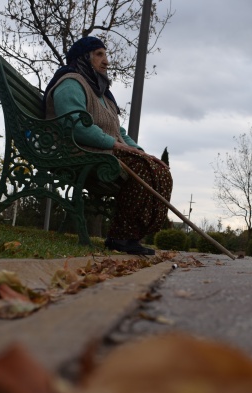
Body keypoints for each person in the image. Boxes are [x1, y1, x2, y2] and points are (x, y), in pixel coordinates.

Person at [44, 36, 172, 255]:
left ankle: (133, 236)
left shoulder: (102, 93)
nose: (106, 62)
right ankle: (120, 238)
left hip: (102, 151)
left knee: (159, 170)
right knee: (141, 168)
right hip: (77, 151)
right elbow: (76, 126)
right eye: (99, 55)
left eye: (106, 54)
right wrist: (118, 147)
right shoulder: (70, 83)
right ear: (83, 58)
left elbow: (119, 132)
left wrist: (141, 152)